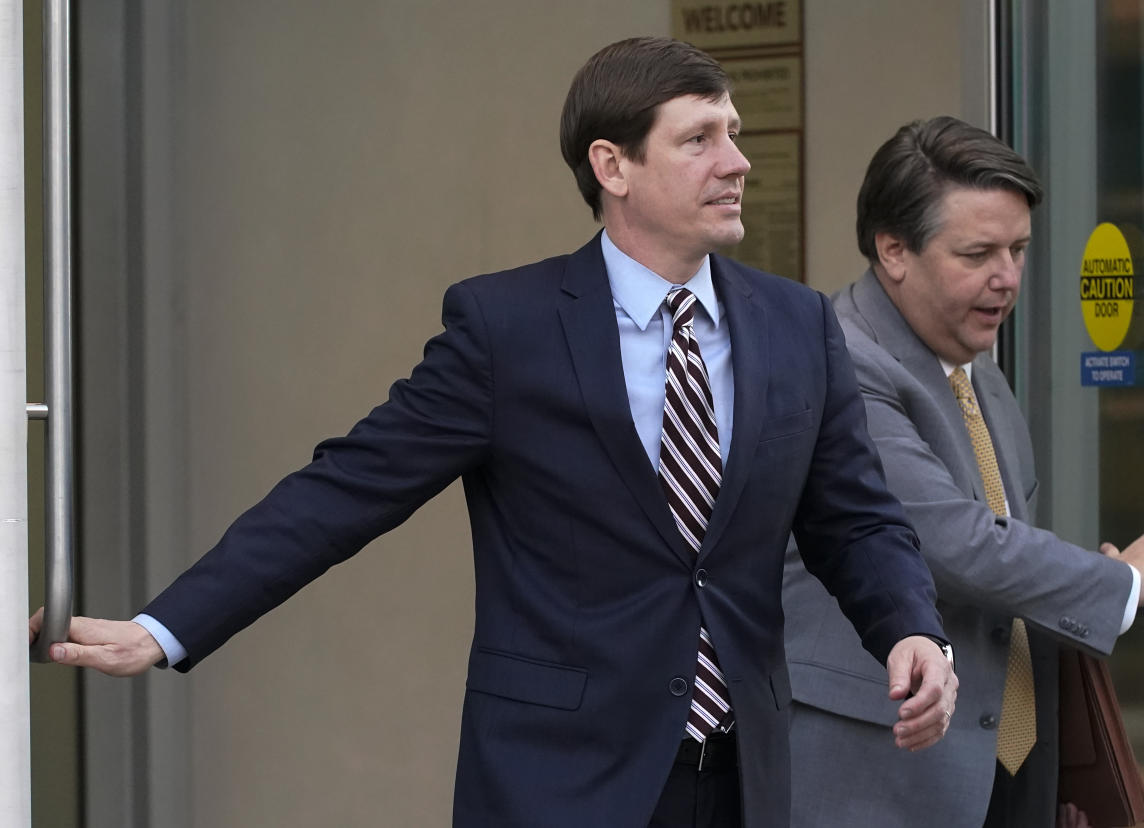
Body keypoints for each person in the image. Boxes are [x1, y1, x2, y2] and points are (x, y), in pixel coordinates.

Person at [29, 38, 957, 827]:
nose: (736, 160)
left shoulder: (797, 325)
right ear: (613, 166)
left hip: (743, 778)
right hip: (557, 780)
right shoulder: (506, 329)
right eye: (700, 139)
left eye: (735, 136)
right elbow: (345, 492)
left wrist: (910, 628)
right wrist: (166, 628)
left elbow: (855, 520)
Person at [782, 115, 1144, 828]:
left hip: (997, 763)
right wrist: (1128, 581)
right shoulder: (841, 360)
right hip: (882, 770)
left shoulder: (976, 367)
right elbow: (954, 544)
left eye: (1019, 249)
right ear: (893, 250)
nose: (1006, 278)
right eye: (977, 253)